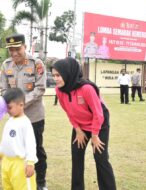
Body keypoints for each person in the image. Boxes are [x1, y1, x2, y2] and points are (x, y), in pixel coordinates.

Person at [51, 57, 116, 190]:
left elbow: (99, 114)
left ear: (68, 73)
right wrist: (78, 130)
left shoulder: (86, 88)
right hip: (79, 126)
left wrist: (94, 135)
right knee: (76, 158)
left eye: (58, 75)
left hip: (99, 125)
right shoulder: (59, 90)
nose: (55, 79)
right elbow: (69, 112)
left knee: (101, 159)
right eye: (54, 75)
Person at [0, 33, 47, 190]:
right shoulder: (6, 65)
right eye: (10, 50)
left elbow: (40, 88)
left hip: (34, 117)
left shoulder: (36, 64)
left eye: (17, 49)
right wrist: (10, 106)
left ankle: (40, 183)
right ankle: (17, 178)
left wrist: (20, 104)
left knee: (36, 150)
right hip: (14, 118)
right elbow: (4, 90)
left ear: (25, 47)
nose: (14, 53)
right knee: (17, 148)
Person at [0, 88, 38, 190]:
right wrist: (0, 153)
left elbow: (31, 144)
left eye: (9, 107)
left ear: (21, 105)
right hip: (7, 163)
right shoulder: (10, 121)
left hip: (20, 165)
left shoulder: (25, 123)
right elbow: (5, 140)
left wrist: (30, 162)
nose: (7, 110)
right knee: (8, 186)